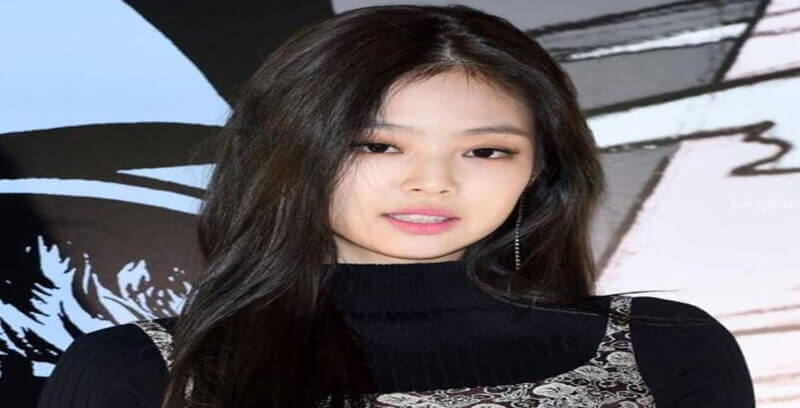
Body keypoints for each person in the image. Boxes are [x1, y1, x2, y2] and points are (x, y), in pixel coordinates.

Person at [37, 4, 755, 408]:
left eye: (487, 151)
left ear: (540, 168)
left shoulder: (664, 347)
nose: (432, 182)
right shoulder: (144, 374)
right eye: (379, 146)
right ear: (292, 150)